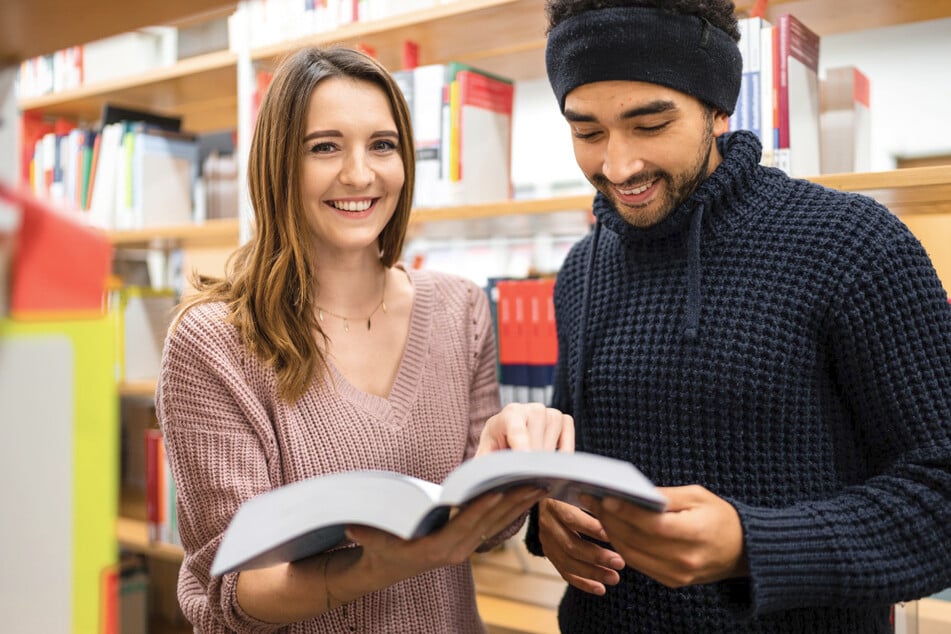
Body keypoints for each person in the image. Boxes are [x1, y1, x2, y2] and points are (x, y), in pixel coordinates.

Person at [525, 1, 951, 632]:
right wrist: (549, 516)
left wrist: (754, 545)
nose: (616, 166)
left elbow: (940, 494)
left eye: (650, 125)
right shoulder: (583, 270)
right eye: (587, 133)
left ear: (719, 109)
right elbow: (577, 468)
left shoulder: (855, 247)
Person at [157, 45, 573, 633]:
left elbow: (480, 534)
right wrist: (379, 566)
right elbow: (235, 595)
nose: (360, 173)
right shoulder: (214, 342)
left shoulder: (462, 309)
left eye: (383, 145)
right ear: (279, 164)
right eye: (324, 147)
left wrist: (504, 465)